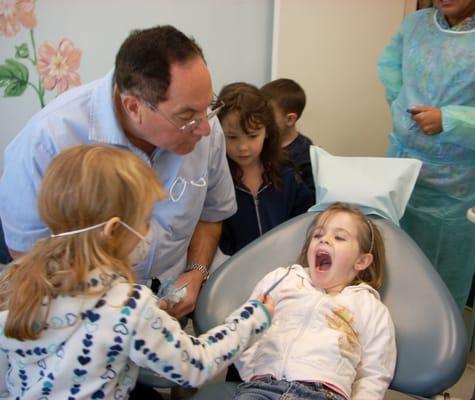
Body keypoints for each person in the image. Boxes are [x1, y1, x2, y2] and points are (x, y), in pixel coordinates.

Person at [0, 25, 237, 320]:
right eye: (187, 117)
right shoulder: (48, 140)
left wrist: (196, 272)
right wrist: (110, 316)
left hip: (169, 307)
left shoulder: (206, 128)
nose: (204, 127)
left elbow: (212, 213)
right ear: (133, 106)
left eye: (207, 108)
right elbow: (26, 253)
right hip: (82, 319)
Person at [0, 145, 273, 399]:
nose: (148, 231)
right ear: (113, 231)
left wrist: (150, 314)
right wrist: (254, 317)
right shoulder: (128, 305)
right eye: (145, 221)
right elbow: (195, 365)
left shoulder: (18, 279)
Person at [377, 0, 475, 310]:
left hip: (454, 187)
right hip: (400, 170)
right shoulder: (416, 25)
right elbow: (390, 71)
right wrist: (405, 112)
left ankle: (439, 354)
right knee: (390, 270)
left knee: (441, 286)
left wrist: (449, 120)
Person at [233, 202, 396, 399]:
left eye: (339, 237)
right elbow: (246, 327)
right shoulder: (282, 280)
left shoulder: (370, 308)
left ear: (361, 261)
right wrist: (252, 372)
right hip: (261, 388)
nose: (324, 240)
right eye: (318, 235)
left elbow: (374, 373)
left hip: (323, 393)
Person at [217, 82, 314, 256]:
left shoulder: (287, 172)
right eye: (232, 137)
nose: (243, 147)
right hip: (234, 267)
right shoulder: (217, 179)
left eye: (253, 136)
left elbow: (304, 222)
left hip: (285, 264)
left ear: (267, 131)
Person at [260, 78, 315, 199]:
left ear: (290, 119)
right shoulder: (260, 143)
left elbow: (309, 201)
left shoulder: (307, 156)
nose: (261, 119)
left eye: (268, 115)